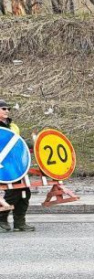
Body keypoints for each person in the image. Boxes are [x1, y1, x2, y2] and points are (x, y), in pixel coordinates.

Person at [0, 99, 34, 232]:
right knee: (13, 191)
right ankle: (2, 221)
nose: (7, 111)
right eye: (4, 109)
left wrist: (33, 145)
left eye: (8, 109)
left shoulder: (13, 127)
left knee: (25, 191)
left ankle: (20, 222)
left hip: (17, 165)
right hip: (3, 166)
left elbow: (19, 142)